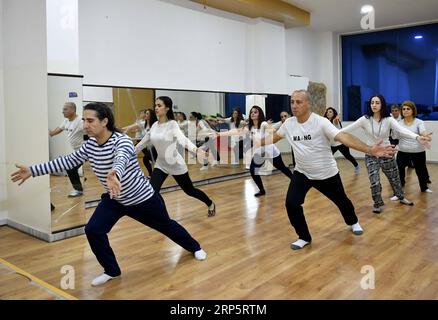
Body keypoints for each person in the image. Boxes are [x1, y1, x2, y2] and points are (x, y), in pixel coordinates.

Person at [11, 102, 207, 286]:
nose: (85, 125)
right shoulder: (90, 145)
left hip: (142, 199)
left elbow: (121, 158)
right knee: (94, 230)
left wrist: (115, 173)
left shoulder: (122, 141)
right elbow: (67, 161)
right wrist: (33, 170)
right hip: (115, 199)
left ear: (104, 121)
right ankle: (111, 270)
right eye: (84, 120)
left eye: (90, 121)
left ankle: (195, 247)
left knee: (167, 227)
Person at [257, 90, 397, 250]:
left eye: (299, 102)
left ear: (308, 103)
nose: (294, 106)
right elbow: (273, 138)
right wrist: (256, 142)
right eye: (292, 102)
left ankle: (353, 221)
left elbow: (343, 137)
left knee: (342, 201)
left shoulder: (321, 122)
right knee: (291, 203)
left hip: (326, 173)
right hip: (302, 173)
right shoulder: (289, 124)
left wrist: (369, 149)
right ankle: (304, 237)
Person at [341, 94, 431, 213]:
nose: (374, 105)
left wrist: (417, 137)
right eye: (372, 102)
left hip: (386, 153)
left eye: (377, 102)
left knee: (394, 178)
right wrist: (331, 134)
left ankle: (401, 196)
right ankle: (377, 203)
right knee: (374, 181)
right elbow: (346, 130)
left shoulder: (388, 119)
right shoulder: (365, 119)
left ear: (382, 104)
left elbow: (401, 130)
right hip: (371, 155)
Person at [135, 97, 216, 217]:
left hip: (175, 164)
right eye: (155, 105)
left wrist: (196, 150)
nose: (156, 108)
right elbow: (142, 143)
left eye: (159, 105)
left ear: (167, 108)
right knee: (152, 192)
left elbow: (183, 140)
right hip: (161, 164)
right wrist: (127, 155)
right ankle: (164, 217)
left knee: (190, 191)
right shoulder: (154, 126)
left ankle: (210, 203)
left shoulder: (172, 125)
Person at [218, 106, 293, 197]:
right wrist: (219, 133)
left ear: (259, 114)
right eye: (251, 112)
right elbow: (235, 131)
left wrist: (273, 130)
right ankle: (262, 190)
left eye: (255, 112)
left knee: (282, 168)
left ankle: (295, 181)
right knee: (253, 170)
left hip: (271, 152)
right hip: (260, 153)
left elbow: (271, 129)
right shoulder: (249, 127)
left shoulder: (263, 124)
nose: (252, 113)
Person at [392, 100, 432, 193]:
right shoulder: (399, 123)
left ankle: (424, 188)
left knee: (421, 170)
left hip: (418, 152)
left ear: (413, 110)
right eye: (403, 109)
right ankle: (399, 190)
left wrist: (426, 136)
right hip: (402, 151)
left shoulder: (419, 122)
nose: (405, 111)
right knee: (399, 171)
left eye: (408, 109)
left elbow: (423, 132)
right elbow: (396, 136)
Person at [49, 102, 85, 197]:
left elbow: (91, 132)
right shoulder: (66, 121)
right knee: (71, 168)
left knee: (70, 167)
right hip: (77, 151)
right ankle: (79, 189)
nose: (62, 111)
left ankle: (79, 190)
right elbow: (58, 129)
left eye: (65, 109)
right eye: (63, 109)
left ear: (72, 110)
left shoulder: (80, 121)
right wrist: (50, 133)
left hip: (85, 151)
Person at [323, 107, 360, 173]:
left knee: (347, 156)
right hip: (332, 145)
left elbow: (336, 121)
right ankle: (333, 170)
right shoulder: (326, 122)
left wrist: (337, 118)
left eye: (330, 112)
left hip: (341, 144)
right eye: (327, 112)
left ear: (334, 113)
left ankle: (356, 166)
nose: (328, 113)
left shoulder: (335, 121)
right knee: (328, 157)